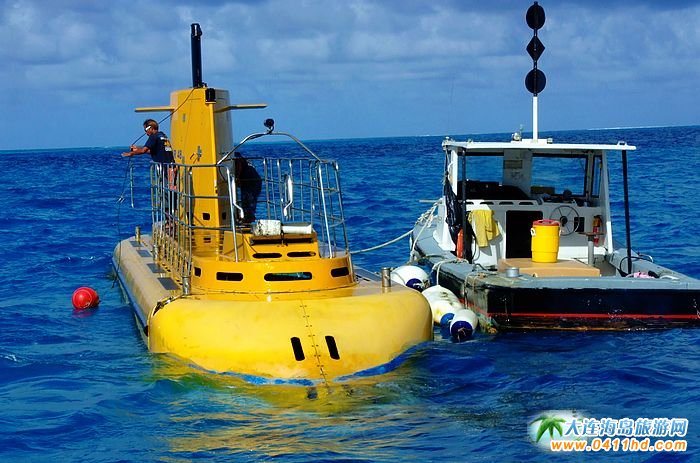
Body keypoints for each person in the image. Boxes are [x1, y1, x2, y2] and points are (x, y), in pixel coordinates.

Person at [234, 152, 262, 223]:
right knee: (248, 201)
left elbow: (239, 165)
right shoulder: (241, 159)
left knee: (248, 200)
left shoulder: (237, 158)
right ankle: (247, 218)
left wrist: (237, 178)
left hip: (250, 180)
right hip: (251, 180)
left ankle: (248, 218)